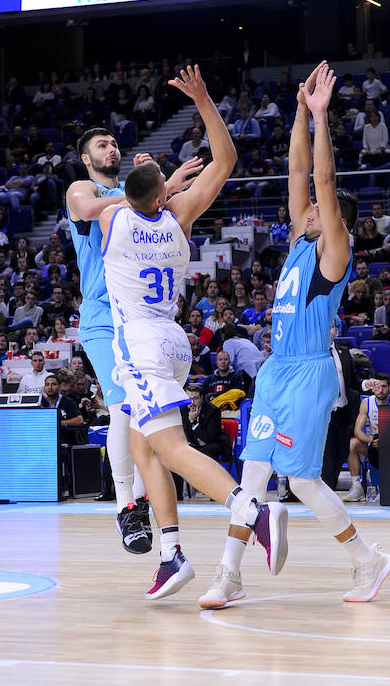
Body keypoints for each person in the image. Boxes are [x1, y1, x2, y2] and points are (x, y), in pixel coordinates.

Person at [201, 60, 390, 611]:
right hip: (276, 370)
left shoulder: (334, 250)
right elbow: (296, 173)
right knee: (253, 473)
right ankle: (230, 575)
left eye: (313, 209)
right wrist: (298, 114)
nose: (303, 207)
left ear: (332, 221)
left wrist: (323, 117)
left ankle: (366, 559)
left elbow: (323, 182)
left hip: (310, 371)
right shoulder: (298, 244)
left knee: (303, 481)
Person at [99, 64, 288, 601]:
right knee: (144, 450)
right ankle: (171, 554)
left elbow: (116, 197)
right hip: (176, 340)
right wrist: (204, 99)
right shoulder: (178, 215)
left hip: (138, 342)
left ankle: (252, 509)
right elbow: (225, 160)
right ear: (162, 193)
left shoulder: (113, 219)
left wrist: (156, 180)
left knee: (171, 449)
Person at [66, 129, 201, 556]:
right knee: (124, 402)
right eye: (101, 144)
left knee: (147, 413)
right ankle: (126, 504)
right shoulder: (81, 188)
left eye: (113, 142)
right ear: (86, 159)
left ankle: (141, 502)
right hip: (104, 319)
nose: (111, 147)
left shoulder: (136, 193)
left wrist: (163, 189)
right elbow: (88, 209)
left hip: (142, 317)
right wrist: (147, 192)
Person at [344, 374, 390, 501]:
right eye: (377, 387)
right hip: (373, 444)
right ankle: (357, 487)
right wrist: (371, 440)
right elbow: (357, 430)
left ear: (389, 387)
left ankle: (389, 486)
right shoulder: (366, 403)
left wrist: (387, 441)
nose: (380, 390)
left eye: (384, 386)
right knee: (352, 444)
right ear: (372, 388)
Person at [322, 318, 363, 490]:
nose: (330, 330)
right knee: (327, 458)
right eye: (326, 327)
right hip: (323, 414)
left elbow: (354, 382)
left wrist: (368, 385)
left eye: (332, 327)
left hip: (343, 412)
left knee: (341, 453)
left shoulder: (343, 352)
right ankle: (326, 491)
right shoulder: (313, 355)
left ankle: (329, 488)